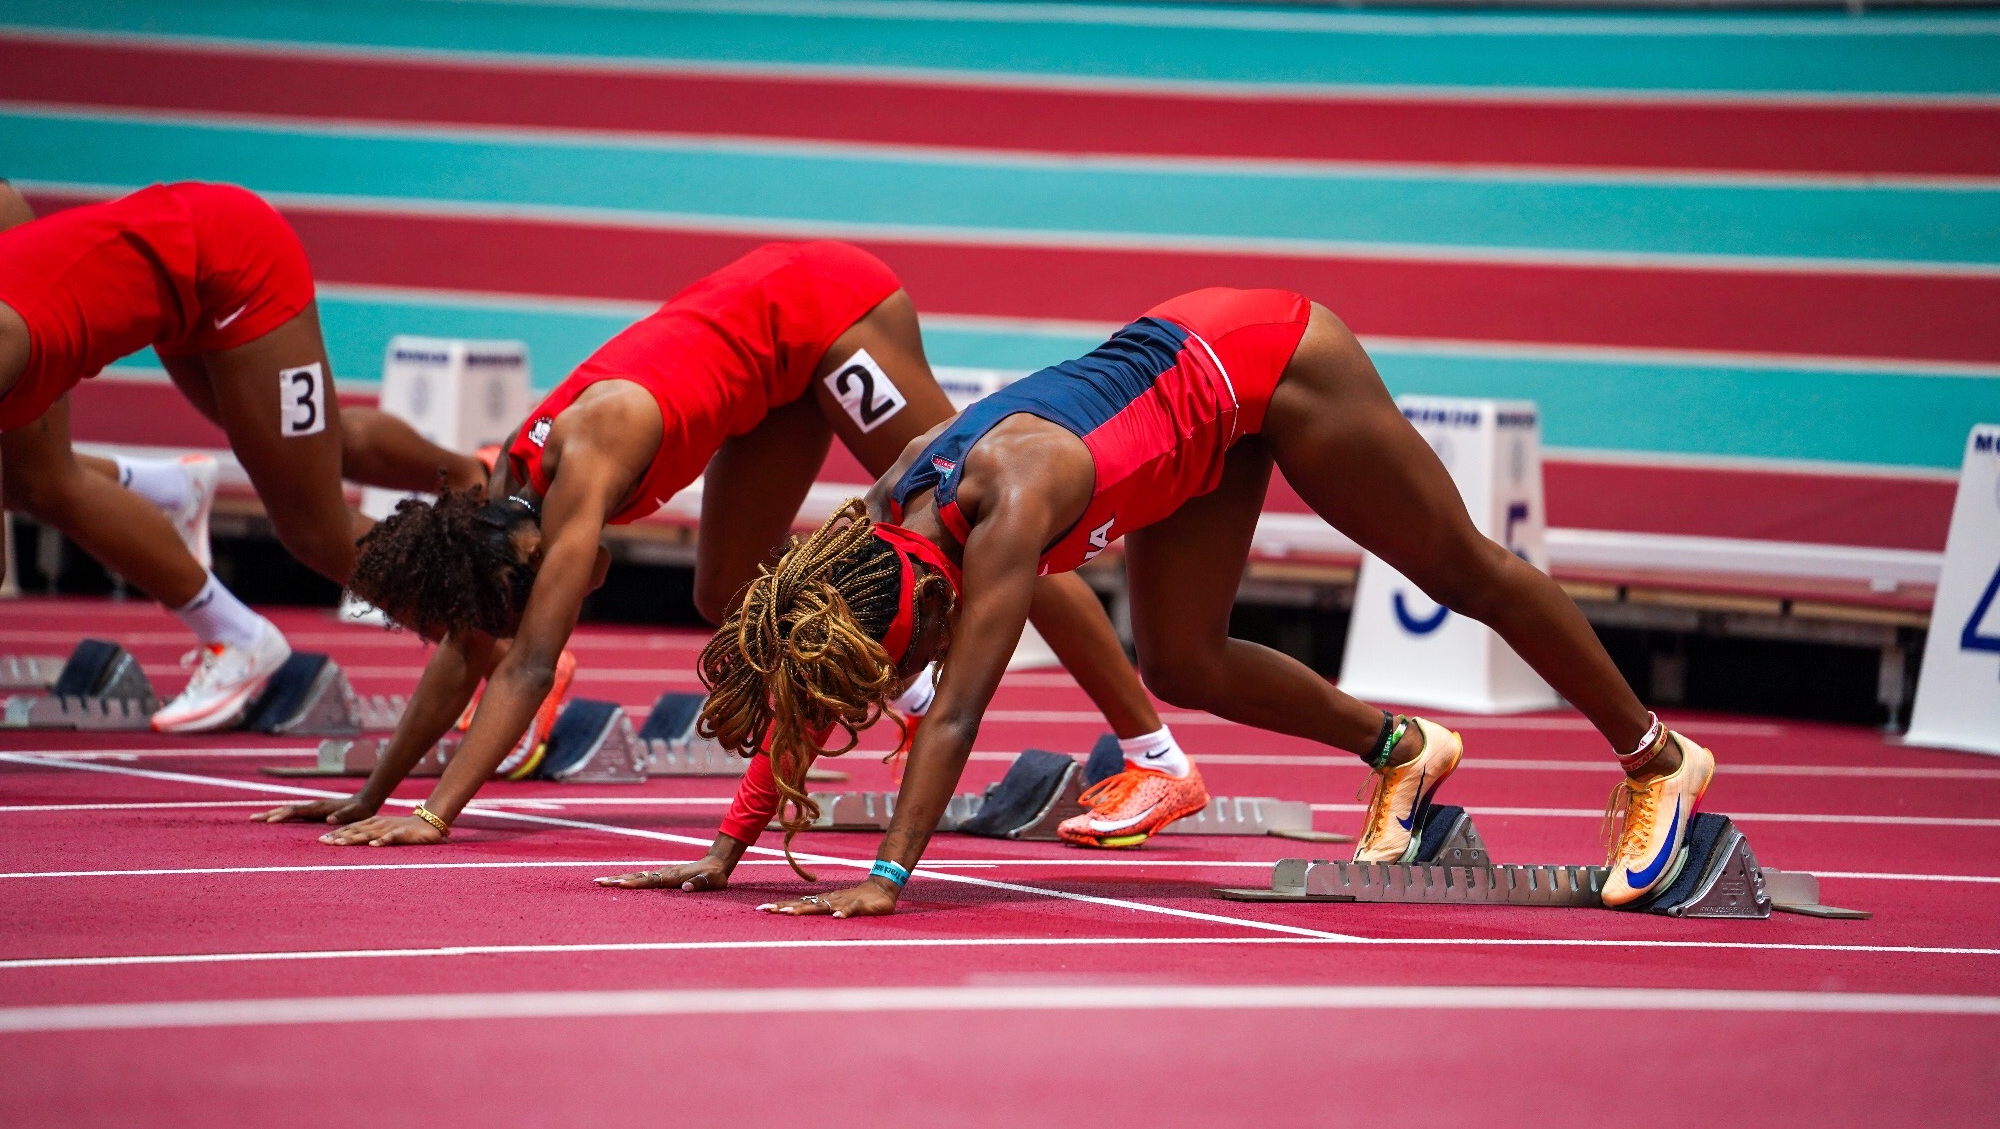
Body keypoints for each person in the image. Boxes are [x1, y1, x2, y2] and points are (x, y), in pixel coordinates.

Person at [637, 285, 1714, 917]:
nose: (891, 681)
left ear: (917, 595)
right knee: (1183, 660)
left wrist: (884, 874)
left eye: (891, 659)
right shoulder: (885, 516)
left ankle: (1655, 755)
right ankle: (1399, 746)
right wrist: (728, 845)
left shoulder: (1009, 509)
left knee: (1460, 570)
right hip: (1188, 411)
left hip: (1270, 363)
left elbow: (960, 711)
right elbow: (815, 670)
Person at [258, 240, 1206, 847]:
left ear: (530, 558)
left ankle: (1156, 758)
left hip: (828, 313)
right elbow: (475, 651)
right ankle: (912, 691)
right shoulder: (499, 514)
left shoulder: (586, 463)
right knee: (731, 602)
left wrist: (432, 814)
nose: (571, 597)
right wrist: (369, 793)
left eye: (547, 592)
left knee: (980, 525)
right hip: (769, 371)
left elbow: (523, 664)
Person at [0, 180, 487, 731]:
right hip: (183, 280)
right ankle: (478, 471)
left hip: (232, 262)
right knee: (314, 449)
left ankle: (495, 649)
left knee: (314, 526)